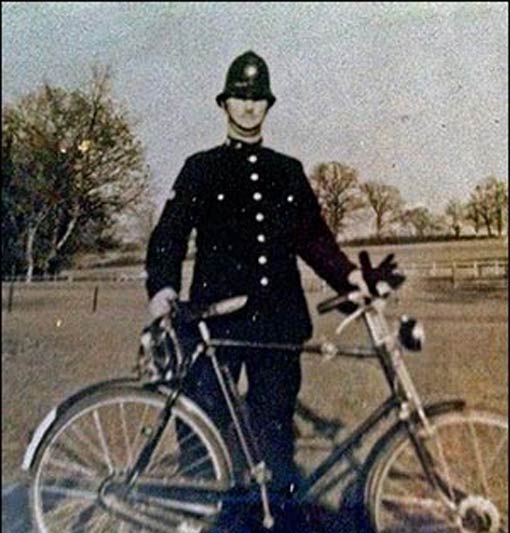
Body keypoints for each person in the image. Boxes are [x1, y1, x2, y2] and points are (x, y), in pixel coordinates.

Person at [145, 50, 403, 495]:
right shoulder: (200, 168)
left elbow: (315, 240)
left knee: (275, 437)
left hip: (277, 325)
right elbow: (169, 234)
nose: (249, 107)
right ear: (224, 104)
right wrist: (163, 287)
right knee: (202, 431)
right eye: (240, 98)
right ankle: (205, 529)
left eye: (258, 99)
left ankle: (271, 526)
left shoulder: (288, 172)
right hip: (215, 323)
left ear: (268, 106)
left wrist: (351, 278)